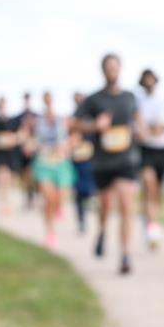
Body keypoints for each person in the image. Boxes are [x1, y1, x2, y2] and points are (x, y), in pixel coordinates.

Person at [73, 54, 142, 275]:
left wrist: (140, 130)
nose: (112, 71)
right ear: (103, 70)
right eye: (108, 68)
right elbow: (74, 124)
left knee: (126, 204)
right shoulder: (93, 100)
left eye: (115, 67)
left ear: (120, 69)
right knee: (105, 206)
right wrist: (95, 126)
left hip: (126, 159)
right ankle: (102, 230)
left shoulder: (130, 97)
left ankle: (125, 255)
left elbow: (138, 121)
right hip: (103, 161)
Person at [136, 68, 164, 251]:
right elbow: (133, 123)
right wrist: (141, 131)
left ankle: (151, 218)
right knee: (148, 184)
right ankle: (152, 229)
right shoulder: (137, 102)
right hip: (145, 148)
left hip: (163, 148)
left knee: (157, 191)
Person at [32, 91, 75, 248]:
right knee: (48, 198)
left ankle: (58, 208)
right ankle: (50, 232)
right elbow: (31, 138)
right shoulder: (37, 121)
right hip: (44, 161)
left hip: (60, 162)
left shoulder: (62, 119)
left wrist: (67, 145)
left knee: (60, 197)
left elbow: (72, 136)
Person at [0, 96, 23, 217]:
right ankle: (4, 203)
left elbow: (19, 136)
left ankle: (6, 200)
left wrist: (13, 139)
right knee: (3, 177)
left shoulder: (13, 122)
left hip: (10, 154)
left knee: (9, 180)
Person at [70, 91, 97, 234]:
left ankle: (88, 210)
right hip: (77, 160)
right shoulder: (74, 117)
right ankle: (81, 219)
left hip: (91, 159)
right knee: (79, 192)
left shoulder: (91, 116)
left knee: (90, 189)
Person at [16, 91, 39, 210]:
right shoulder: (20, 117)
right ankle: (28, 198)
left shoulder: (36, 115)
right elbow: (19, 136)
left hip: (34, 153)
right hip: (24, 154)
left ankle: (32, 197)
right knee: (25, 178)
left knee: (33, 177)